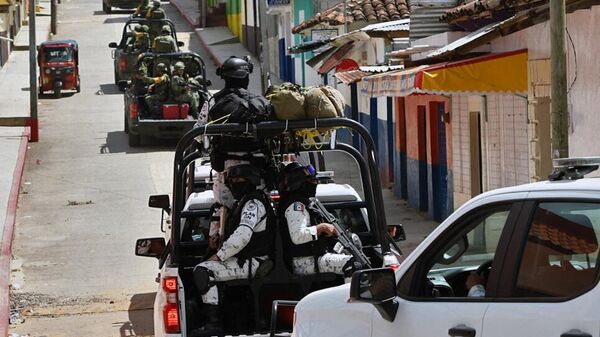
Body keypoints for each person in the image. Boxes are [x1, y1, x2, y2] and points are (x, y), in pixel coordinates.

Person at [191, 164, 275, 337]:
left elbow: (242, 236)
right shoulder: (244, 202)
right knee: (202, 265)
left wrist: (219, 256)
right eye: (232, 181)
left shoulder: (253, 204)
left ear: (250, 181)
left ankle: (213, 324)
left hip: (254, 262)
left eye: (238, 180)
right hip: (247, 258)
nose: (234, 184)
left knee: (203, 271)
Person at [277, 162, 364, 277]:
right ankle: (352, 295)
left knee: (354, 251)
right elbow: (297, 236)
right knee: (353, 265)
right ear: (301, 184)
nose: (316, 184)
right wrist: (322, 227)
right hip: (303, 261)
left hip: (315, 255)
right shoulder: (296, 206)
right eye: (312, 181)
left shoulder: (307, 202)